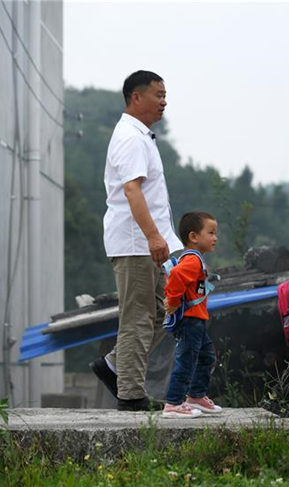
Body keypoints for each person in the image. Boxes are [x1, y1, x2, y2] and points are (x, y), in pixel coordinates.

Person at [90, 70, 183, 411]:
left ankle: (114, 365)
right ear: (136, 97)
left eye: (165, 94)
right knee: (139, 317)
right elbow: (132, 190)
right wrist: (153, 236)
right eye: (158, 94)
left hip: (146, 242)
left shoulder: (142, 136)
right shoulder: (129, 137)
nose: (164, 101)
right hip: (135, 243)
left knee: (162, 311)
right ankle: (130, 394)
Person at [161, 212, 222, 419]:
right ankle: (173, 403)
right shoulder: (193, 261)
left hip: (197, 319)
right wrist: (174, 301)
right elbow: (177, 276)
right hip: (190, 320)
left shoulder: (195, 260)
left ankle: (196, 396)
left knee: (206, 357)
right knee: (186, 360)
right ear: (194, 236)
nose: (215, 238)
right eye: (211, 233)